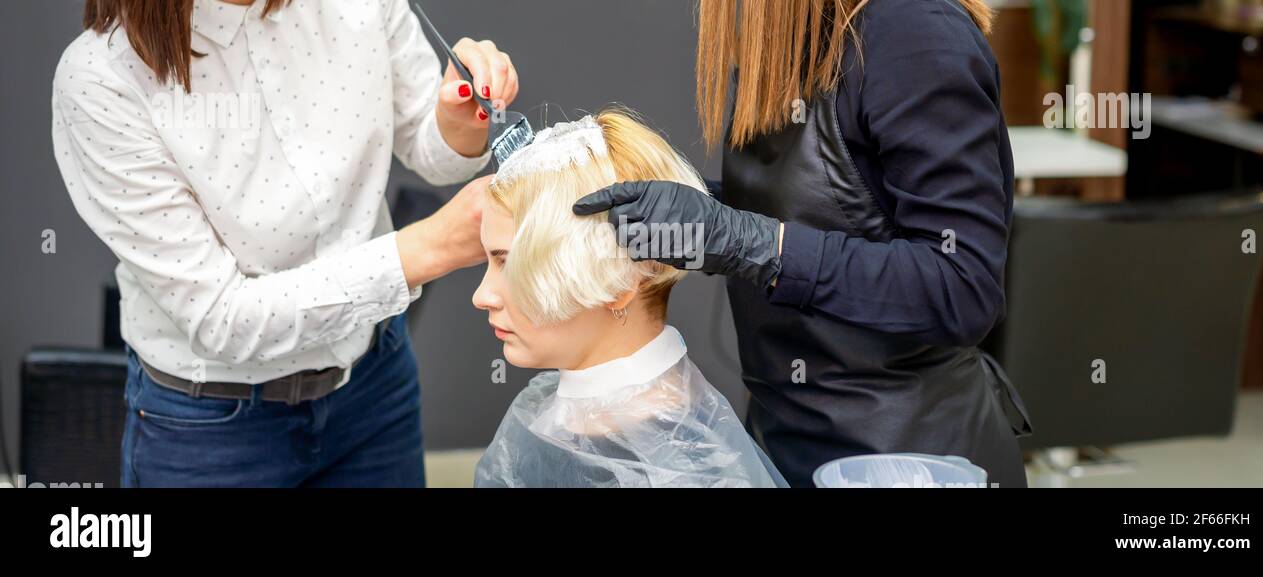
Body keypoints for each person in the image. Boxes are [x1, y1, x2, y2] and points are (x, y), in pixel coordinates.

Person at [53, 0, 517, 487]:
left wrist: (458, 121)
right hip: (211, 430)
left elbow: (432, 147)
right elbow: (222, 319)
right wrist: (428, 249)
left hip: (374, 386)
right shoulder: (101, 79)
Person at [575, 0, 1033, 487]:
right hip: (782, 443)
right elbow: (836, 212)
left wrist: (743, 240)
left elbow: (962, 287)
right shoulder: (792, 43)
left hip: (907, 461)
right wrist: (696, 217)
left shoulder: (913, 31)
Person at [472, 110, 786, 488]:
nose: (481, 296)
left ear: (619, 282)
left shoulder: (685, 474)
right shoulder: (542, 415)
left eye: (508, 263)